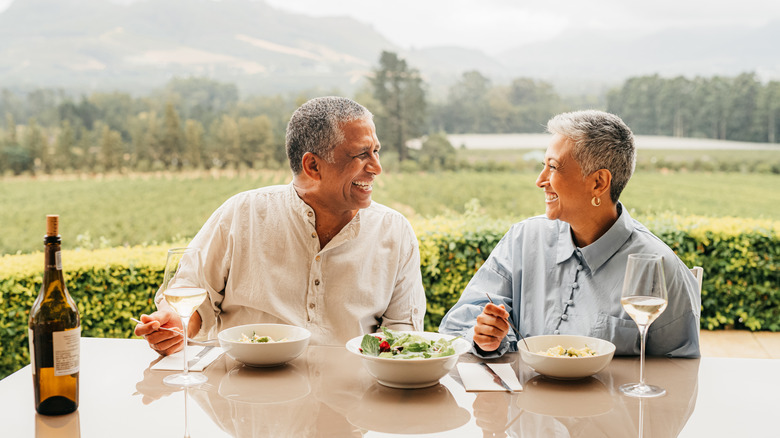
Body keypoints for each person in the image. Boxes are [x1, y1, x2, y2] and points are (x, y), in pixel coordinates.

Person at [135, 96, 426, 355]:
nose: (376, 167)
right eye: (362, 154)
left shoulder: (395, 232)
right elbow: (193, 293)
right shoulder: (242, 213)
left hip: (352, 402)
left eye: (376, 151)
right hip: (243, 398)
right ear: (312, 166)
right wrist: (176, 323)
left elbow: (402, 337)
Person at [439, 110, 700, 358]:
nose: (540, 180)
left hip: (610, 405)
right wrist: (484, 337)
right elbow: (460, 321)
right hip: (523, 403)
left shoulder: (660, 267)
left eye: (553, 167)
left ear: (598, 183)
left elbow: (680, 367)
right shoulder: (523, 239)